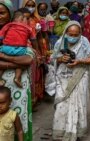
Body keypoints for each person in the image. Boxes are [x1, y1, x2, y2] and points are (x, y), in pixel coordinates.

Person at [51, 21, 90, 141]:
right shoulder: (60, 42)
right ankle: (61, 132)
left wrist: (79, 61)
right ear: (66, 33)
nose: (73, 37)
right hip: (63, 77)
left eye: (76, 35)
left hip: (80, 75)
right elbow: (52, 59)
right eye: (70, 34)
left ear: (80, 33)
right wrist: (60, 59)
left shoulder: (84, 41)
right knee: (61, 105)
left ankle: (76, 133)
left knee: (79, 104)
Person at [0, 0, 34, 140]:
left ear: (10, 14)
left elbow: (28, 60)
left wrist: (3, 57)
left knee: (18, 118)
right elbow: (23, 61)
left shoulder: (22, 31)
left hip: (18, 85)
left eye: (2, 13)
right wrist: (17, 63)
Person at [0, 10, 38, 88]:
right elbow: (33, 39)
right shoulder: (28, 28)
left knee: (3, 60)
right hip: (20, 50)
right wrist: (35, 49)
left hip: (6, 48)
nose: (27, 21)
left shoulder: (9, 25)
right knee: (20, 63)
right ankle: (17, 78)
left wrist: (3, 43)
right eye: (26, 19)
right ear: (21, 19)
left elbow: (1, 36)